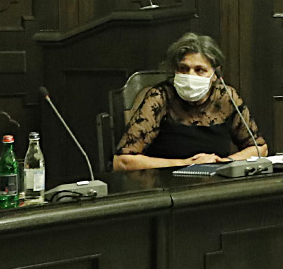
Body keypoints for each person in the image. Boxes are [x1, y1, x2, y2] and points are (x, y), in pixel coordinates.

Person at [113, 33, 267, 170]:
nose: (190, 75)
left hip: (217, 183)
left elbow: (260, 149)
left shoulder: (226, 97)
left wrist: (223, 162)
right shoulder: (160, 97)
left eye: (199, 70)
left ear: (215, 74)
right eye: (183, 68)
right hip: (167, 184)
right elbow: (122, 162)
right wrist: (186, 163)